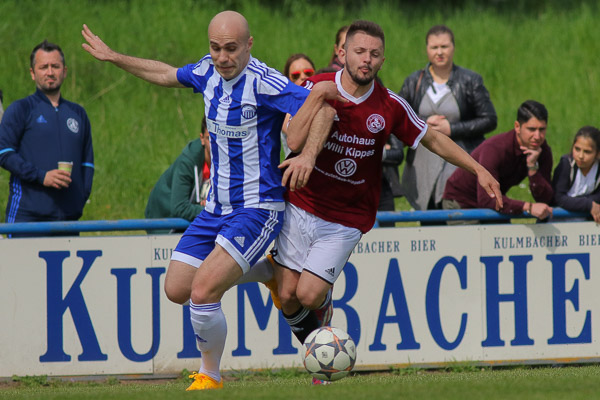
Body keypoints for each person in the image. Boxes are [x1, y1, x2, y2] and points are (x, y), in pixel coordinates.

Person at [81, 11, 338, 391]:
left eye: (231, 48)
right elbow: (165, 74)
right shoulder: (206, 72)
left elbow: (324, 108)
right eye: (215, 48)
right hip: (214, 210)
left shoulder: (265, 83)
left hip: (257, 208)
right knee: (177, 290)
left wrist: (308, 156)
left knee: (202, 292)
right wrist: (117, 57)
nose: (222, 57)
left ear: (249, 45)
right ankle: (269, 271)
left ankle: (211, 375)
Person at [267, 20, 502, 372]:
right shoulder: (315, 87)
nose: (367, 60)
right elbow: (285, 127)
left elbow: (434, 139)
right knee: (286, 296)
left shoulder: (389, 105)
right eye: (360, 52)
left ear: (382, 60)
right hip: (302, 204)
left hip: (345, 217)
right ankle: (324, 355)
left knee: (308, 295)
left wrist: (478, 169)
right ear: (342, 53)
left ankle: (324, 333)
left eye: (375, 54)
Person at [399, 25, 497, 213]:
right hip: (422, 164)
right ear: (426, 49)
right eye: (434, 47)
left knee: (457, 218)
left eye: (444, 46)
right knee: (427, 224)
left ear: (453, 48)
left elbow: (489, 119)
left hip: (458, 162)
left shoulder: (470, 80)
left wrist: (451, 128)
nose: (439, 52)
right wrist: (422, 124)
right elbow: (399, 117)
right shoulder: (413, 81)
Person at [0, 40, 94, 235]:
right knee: (21, 267)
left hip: (68, 220)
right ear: (32, 73)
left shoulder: (78, 113)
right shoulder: (21, 109)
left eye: (55, 66)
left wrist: (79, 199)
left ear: (65, 71)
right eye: (43, 67)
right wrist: (42, 177)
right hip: (27, 217)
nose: (50, 72)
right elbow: (4, 153)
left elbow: (87, 164)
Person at [442, 100, 553, 221]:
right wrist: (528, 207)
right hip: (461, 202)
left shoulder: (543, 151)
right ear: (517, 127)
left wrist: (533, 168)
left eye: (542, 129)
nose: (537, 136)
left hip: (493, 201)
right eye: (531, 129)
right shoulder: (495, 149)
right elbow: (487, 200)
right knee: (475, 239)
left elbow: (546, 199)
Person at [144, 116, 211, 233]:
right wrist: (210, 209)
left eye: (218, 138)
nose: (215, 144)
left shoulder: (231, 160)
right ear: (202, 139)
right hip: (164, 219)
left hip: (199, 220)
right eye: (210, 138)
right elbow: (179, 207)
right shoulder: (188, 160)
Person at [552, 126, 600, 223]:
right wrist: (588, 204)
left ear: (598, 153)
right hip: (558, 222)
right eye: (577, 149)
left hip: (587, 224)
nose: (581, 156)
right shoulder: (566, 165)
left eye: (587, 152)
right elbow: (559, 198)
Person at [281, 54, 316, 157]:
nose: (303, 77)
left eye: (308, 73)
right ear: (288, 81)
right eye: (296, 75)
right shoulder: (284, 109)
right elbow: (300, 136)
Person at [378, 134, 404, 227]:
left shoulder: (386, 120)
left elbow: (398, 153)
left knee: (387, 233)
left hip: (382, 188)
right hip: (353, 189)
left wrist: (373, 151)